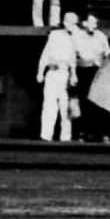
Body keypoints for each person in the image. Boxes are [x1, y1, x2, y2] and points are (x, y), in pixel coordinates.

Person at [36, 10, 79, 141]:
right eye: (70, 21)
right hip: (52, 72)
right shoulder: (54, 35)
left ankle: (66, 137)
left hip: (65, 73)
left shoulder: (76, 37)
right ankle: (46, 135)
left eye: (74, 22)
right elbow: (45, 54)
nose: (72, 24)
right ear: (65, 22)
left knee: (65, 106)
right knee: (49, 104)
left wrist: (73, 74)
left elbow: (73, 59)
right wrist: (40, 71)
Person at [71, 13, 110, 130]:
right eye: (91, 22)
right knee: (84, 102)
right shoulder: (77, 36)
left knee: (97, 102)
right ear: (84, 23)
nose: (94, 25)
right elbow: (72, 55)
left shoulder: (101, 36)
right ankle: (85, 131)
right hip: (83, 71)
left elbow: (108, 54)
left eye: (96, 23)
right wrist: (73, 74)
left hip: (97, 73)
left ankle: (98, 131)